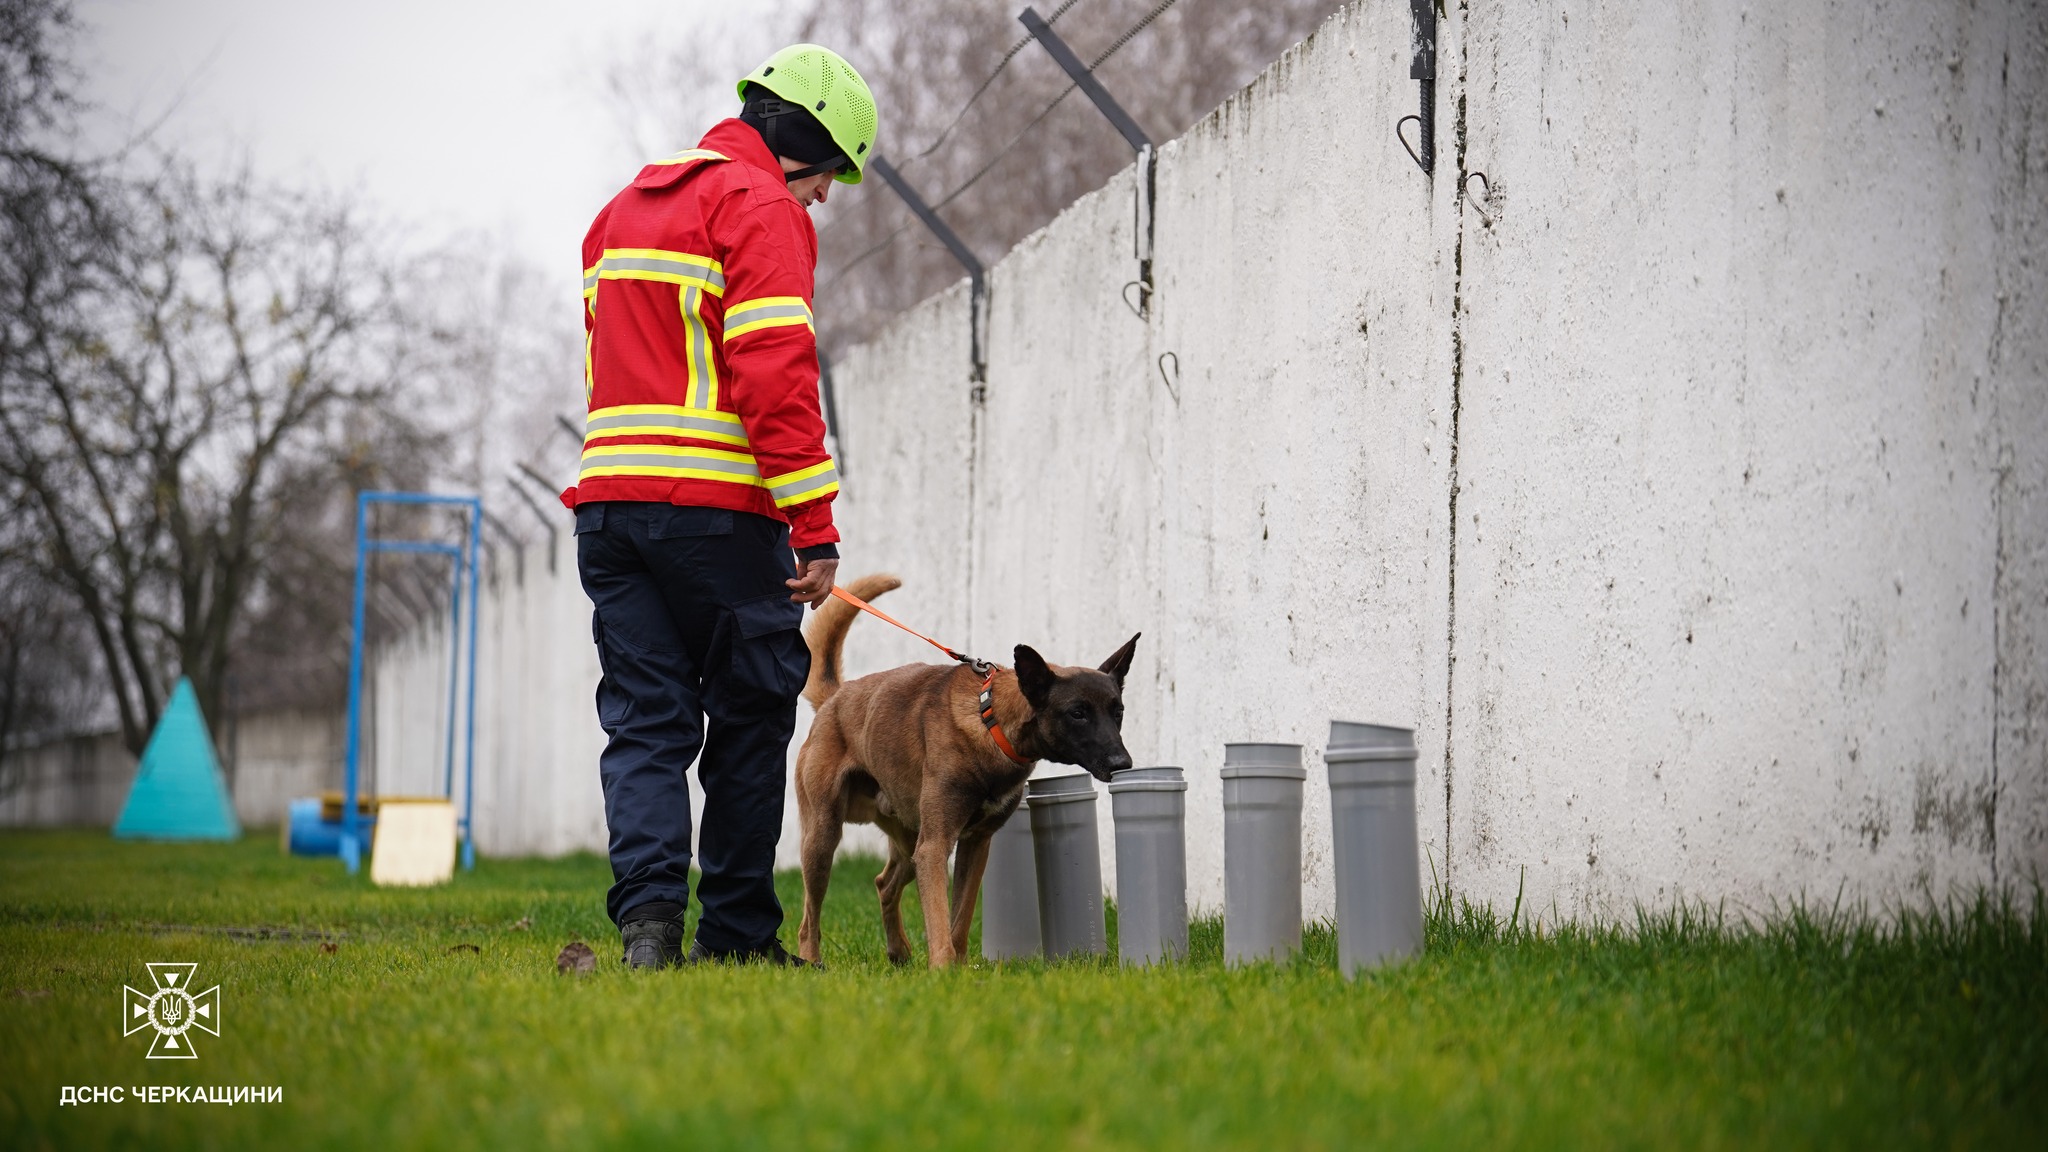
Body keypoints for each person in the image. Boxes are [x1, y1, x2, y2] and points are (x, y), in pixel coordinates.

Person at [562, 44, 878, 968]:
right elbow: (775, 374)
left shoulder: (616, 215)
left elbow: (608, 366)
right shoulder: (759, 207)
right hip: (716, 513)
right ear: (801, 143)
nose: (822, 197)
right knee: (748, 717)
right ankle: (738, 939)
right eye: (827, 174)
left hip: (611, 512)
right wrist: (814, 529)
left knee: (647, 722)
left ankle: (651, 930)